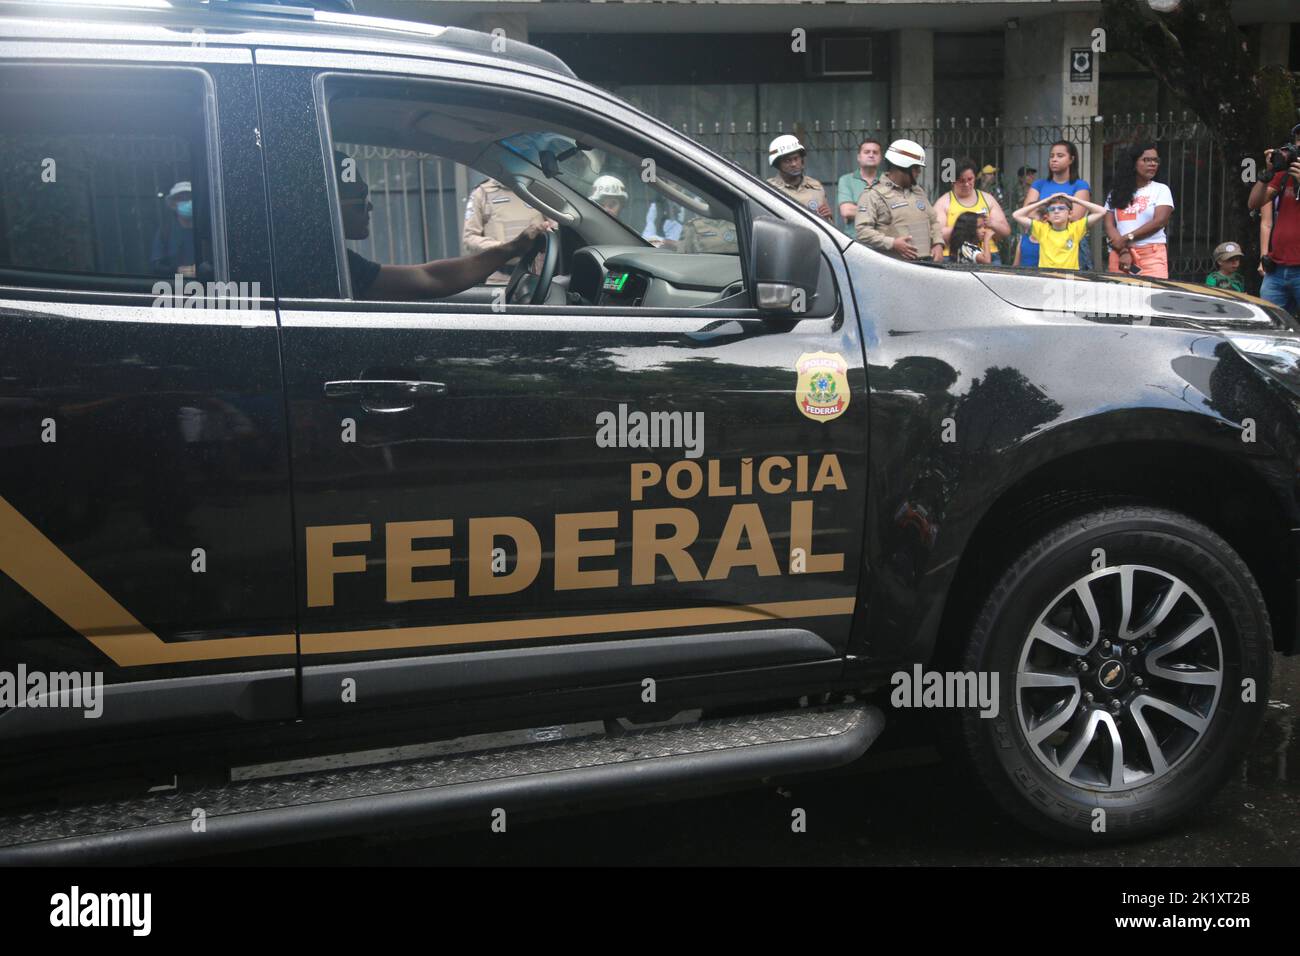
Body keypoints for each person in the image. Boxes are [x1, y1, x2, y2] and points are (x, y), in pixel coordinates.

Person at [335, 151, 552, 300]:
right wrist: (511, 247)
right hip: (499, 277)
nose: (369, 206)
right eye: (361, 196)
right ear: (331, 200)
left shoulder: (338, 262)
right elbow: (430, 279)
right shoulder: (333, 265)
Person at [854, 138, 944, 262]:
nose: (919, 172)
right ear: (903, 168)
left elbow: (933, 221)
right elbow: (863, 231)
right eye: (916, 168)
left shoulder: (918, 191)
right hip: (892, 267)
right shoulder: (872, 195)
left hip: (924, 265)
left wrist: (938, 243)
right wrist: (893, 243)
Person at [1247, 124, 1300, 313]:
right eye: (1297, 139)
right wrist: (1266, 175)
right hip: (1276, 269)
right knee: (1269, 328)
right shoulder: (1285, 174)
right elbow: (1253, 203)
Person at [1104, 143, 1174, 278]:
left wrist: (1127, 238)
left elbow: (1160, 221)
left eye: (1156, 160)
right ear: (1133, 163)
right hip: (1120, 254)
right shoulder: (1115, 193)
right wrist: (1124, 251)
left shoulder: (1161, 189)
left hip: (1151, 254)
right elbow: (1109, 225)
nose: (1153, 164)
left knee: (1153, 296)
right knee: (1120, 297)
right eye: (1147, 160)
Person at [462, 178, 545, 285]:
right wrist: (507, 248)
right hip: (500, 280)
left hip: (538, 278)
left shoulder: (540, 189)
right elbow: (469, 239)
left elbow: (558, 228)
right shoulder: (482, 192)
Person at [1025, 141, 1092, 268]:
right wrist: (1060, 212)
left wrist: (1043, 211)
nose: (1054, 159)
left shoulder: (1080, 185)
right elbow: (1028, 212)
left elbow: (1075, 217)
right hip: (1040, 241)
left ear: (1071, 159)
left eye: (1060, 156)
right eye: (1052, 156)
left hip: (1069, 244)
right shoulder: (1039, 184)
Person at [934, 157, 1011, 261]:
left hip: (989, 254)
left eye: (970, 179)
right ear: (953, 181)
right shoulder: (944, 202)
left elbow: (1006, 231)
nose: (967, 184)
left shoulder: (987, 199)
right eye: (961, 181)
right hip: (956, 256)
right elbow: (937, 234)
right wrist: (966, 228)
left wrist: (992, 223)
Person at [1012, 194, 1108, 270]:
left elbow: (1102, 211)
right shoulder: (1041, 229)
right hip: (1047, 277)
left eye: (1061, 208)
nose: (1056, 211)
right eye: (1052, 209)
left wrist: (1074, 200)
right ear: (1048, 216)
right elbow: (1016, 215)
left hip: (1069, 279)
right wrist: (1044, 201)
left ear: (1070, 214)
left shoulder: (1076, 228)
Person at [767, 135, 833, 224]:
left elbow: (828, 224)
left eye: (796, 158)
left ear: (802, 160)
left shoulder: (815, 187)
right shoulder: (769, 189)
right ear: (778, 164)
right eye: (788, 161)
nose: (794, 164)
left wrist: (827, 217)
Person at [837, 138, 883, 237]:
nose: (871, 155)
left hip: (884, 241)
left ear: (880, 158)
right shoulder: (846, 180)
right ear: (859, 157)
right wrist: (881, 213)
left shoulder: (888, 180)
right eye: (867, 152)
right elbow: (847, 211)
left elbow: (896, 212)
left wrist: (859, 211)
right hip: (856, 242)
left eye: (875, 152)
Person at [150, 180, 197, 276]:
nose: (187, 201)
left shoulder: (207, 229)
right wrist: (177, 270)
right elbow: (156, 265)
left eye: (190, 197)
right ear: (172, 204)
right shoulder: (165, 231)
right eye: (181, 199)